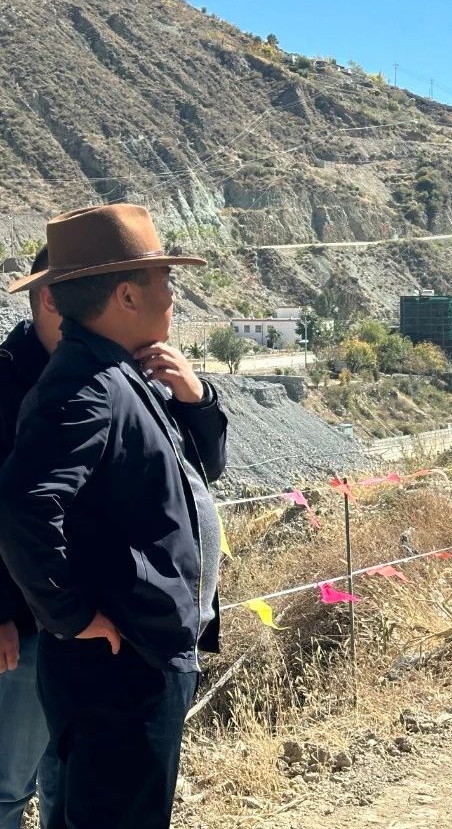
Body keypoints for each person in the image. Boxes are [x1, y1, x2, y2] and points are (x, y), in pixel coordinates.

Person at [0, 204, 228, 829]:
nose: (173, 297)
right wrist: (71, 616)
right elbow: (23, 506)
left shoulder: (120, 370)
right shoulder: (87, 384)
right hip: (122, 661)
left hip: (138, 651)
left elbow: (201, 465)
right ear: (126, 295)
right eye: (164, 281)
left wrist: (196, 398)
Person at [0, 248, 60, 829]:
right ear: (49, 299)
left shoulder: (100, 371)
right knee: (6, 785)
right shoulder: (4, 379)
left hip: (79, 617)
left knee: (63, 775)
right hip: (20, 628)